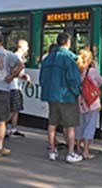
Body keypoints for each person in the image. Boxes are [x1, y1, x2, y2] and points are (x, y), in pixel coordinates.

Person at [40, 32, 83, 163]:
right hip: (66, 96)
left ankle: (52, 151)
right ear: (68, 43)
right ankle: (71, 153)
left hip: (51, 95)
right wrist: (77, 92)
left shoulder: (47, 59)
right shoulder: (69, 59)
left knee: (52, 123)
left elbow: (42, 79)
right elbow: (73, 80)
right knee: (70, 126)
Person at [76, 49, 102, 160]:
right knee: (90, 126)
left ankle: (78, 148)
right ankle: (86, 151)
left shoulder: (76, 70)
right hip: (91, 102)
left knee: (79, 125)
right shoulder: (92, 71)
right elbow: (101, 81)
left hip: (79, 101)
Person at [8, 39, 30, 138]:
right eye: (26, 46)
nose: (28, 49)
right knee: (13, 109)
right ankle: (5, 126)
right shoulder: (16, 57)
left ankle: (13, 128)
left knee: (16, 109)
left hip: (16, 86)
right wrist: (23, 76)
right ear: (21, 46)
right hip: (14, 86)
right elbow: (13, 71)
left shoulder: (16, 57)